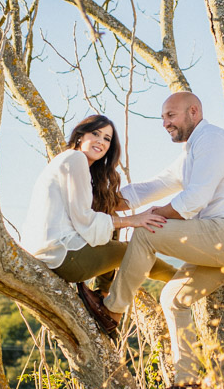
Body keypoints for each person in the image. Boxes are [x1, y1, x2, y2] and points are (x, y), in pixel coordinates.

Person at [90, 92, 224, 389]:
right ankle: (188, 384)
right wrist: (105, 203)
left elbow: (193, 200)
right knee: (173, 298)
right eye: (162, 118)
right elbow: (154, 186)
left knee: (146, 233)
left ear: (194, 111)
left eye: (170, 115)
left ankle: (111, 312)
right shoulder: (192, 151)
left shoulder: (212, 140)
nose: (165, 123)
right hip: (222, 242)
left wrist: (152, 215)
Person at [21, 114, 176, 318]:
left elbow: (111, 206)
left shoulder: (73, 162)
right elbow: (85, 219)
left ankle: (102, 293)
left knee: (107, 213)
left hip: (53, 254)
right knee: (133, 251)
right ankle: (182, 278)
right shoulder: (75, 159)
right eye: (95, 133)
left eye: (106, 138)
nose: (100, 141)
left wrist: (176, 182)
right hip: (61, 255)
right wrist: (134, 220)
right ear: (80, 136)